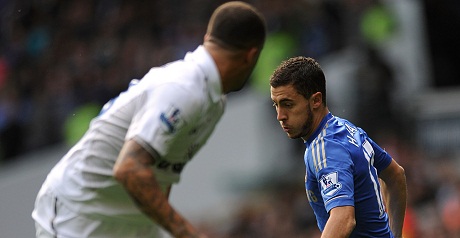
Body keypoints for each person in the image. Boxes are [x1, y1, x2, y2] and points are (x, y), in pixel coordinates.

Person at [32, 2, 266, 237]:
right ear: (251, 55)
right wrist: (186, 233)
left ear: (208, 37)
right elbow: (129, 169)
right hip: (77, 215)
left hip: (134, 223)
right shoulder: (184, 89)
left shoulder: (214, 101)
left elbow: (162, 173)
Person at [269, 56, 407, 237]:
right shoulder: (346, 130)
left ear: (316, 100)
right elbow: (396, 175)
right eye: (276, 105)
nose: (280, 116)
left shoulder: (326, 148)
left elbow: (343, 218)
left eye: (288, 104)